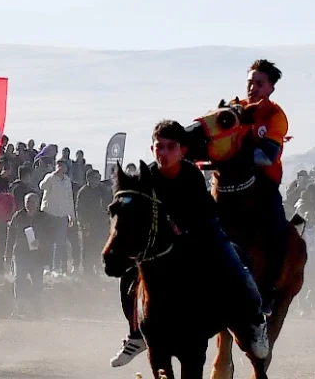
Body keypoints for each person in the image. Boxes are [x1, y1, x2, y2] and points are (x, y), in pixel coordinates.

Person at [111, 122, 270, 362]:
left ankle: (256, 323)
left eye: (170, 147)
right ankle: (136, 334)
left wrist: (180, 228)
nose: (164, 152)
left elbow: (203, 215)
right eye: (159, 147)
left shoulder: (191, 175)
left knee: (238, 267)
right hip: (163, 240)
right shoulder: (148, 177)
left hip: (204, 233)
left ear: (182, 150)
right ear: (152, 149)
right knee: (128, 274)